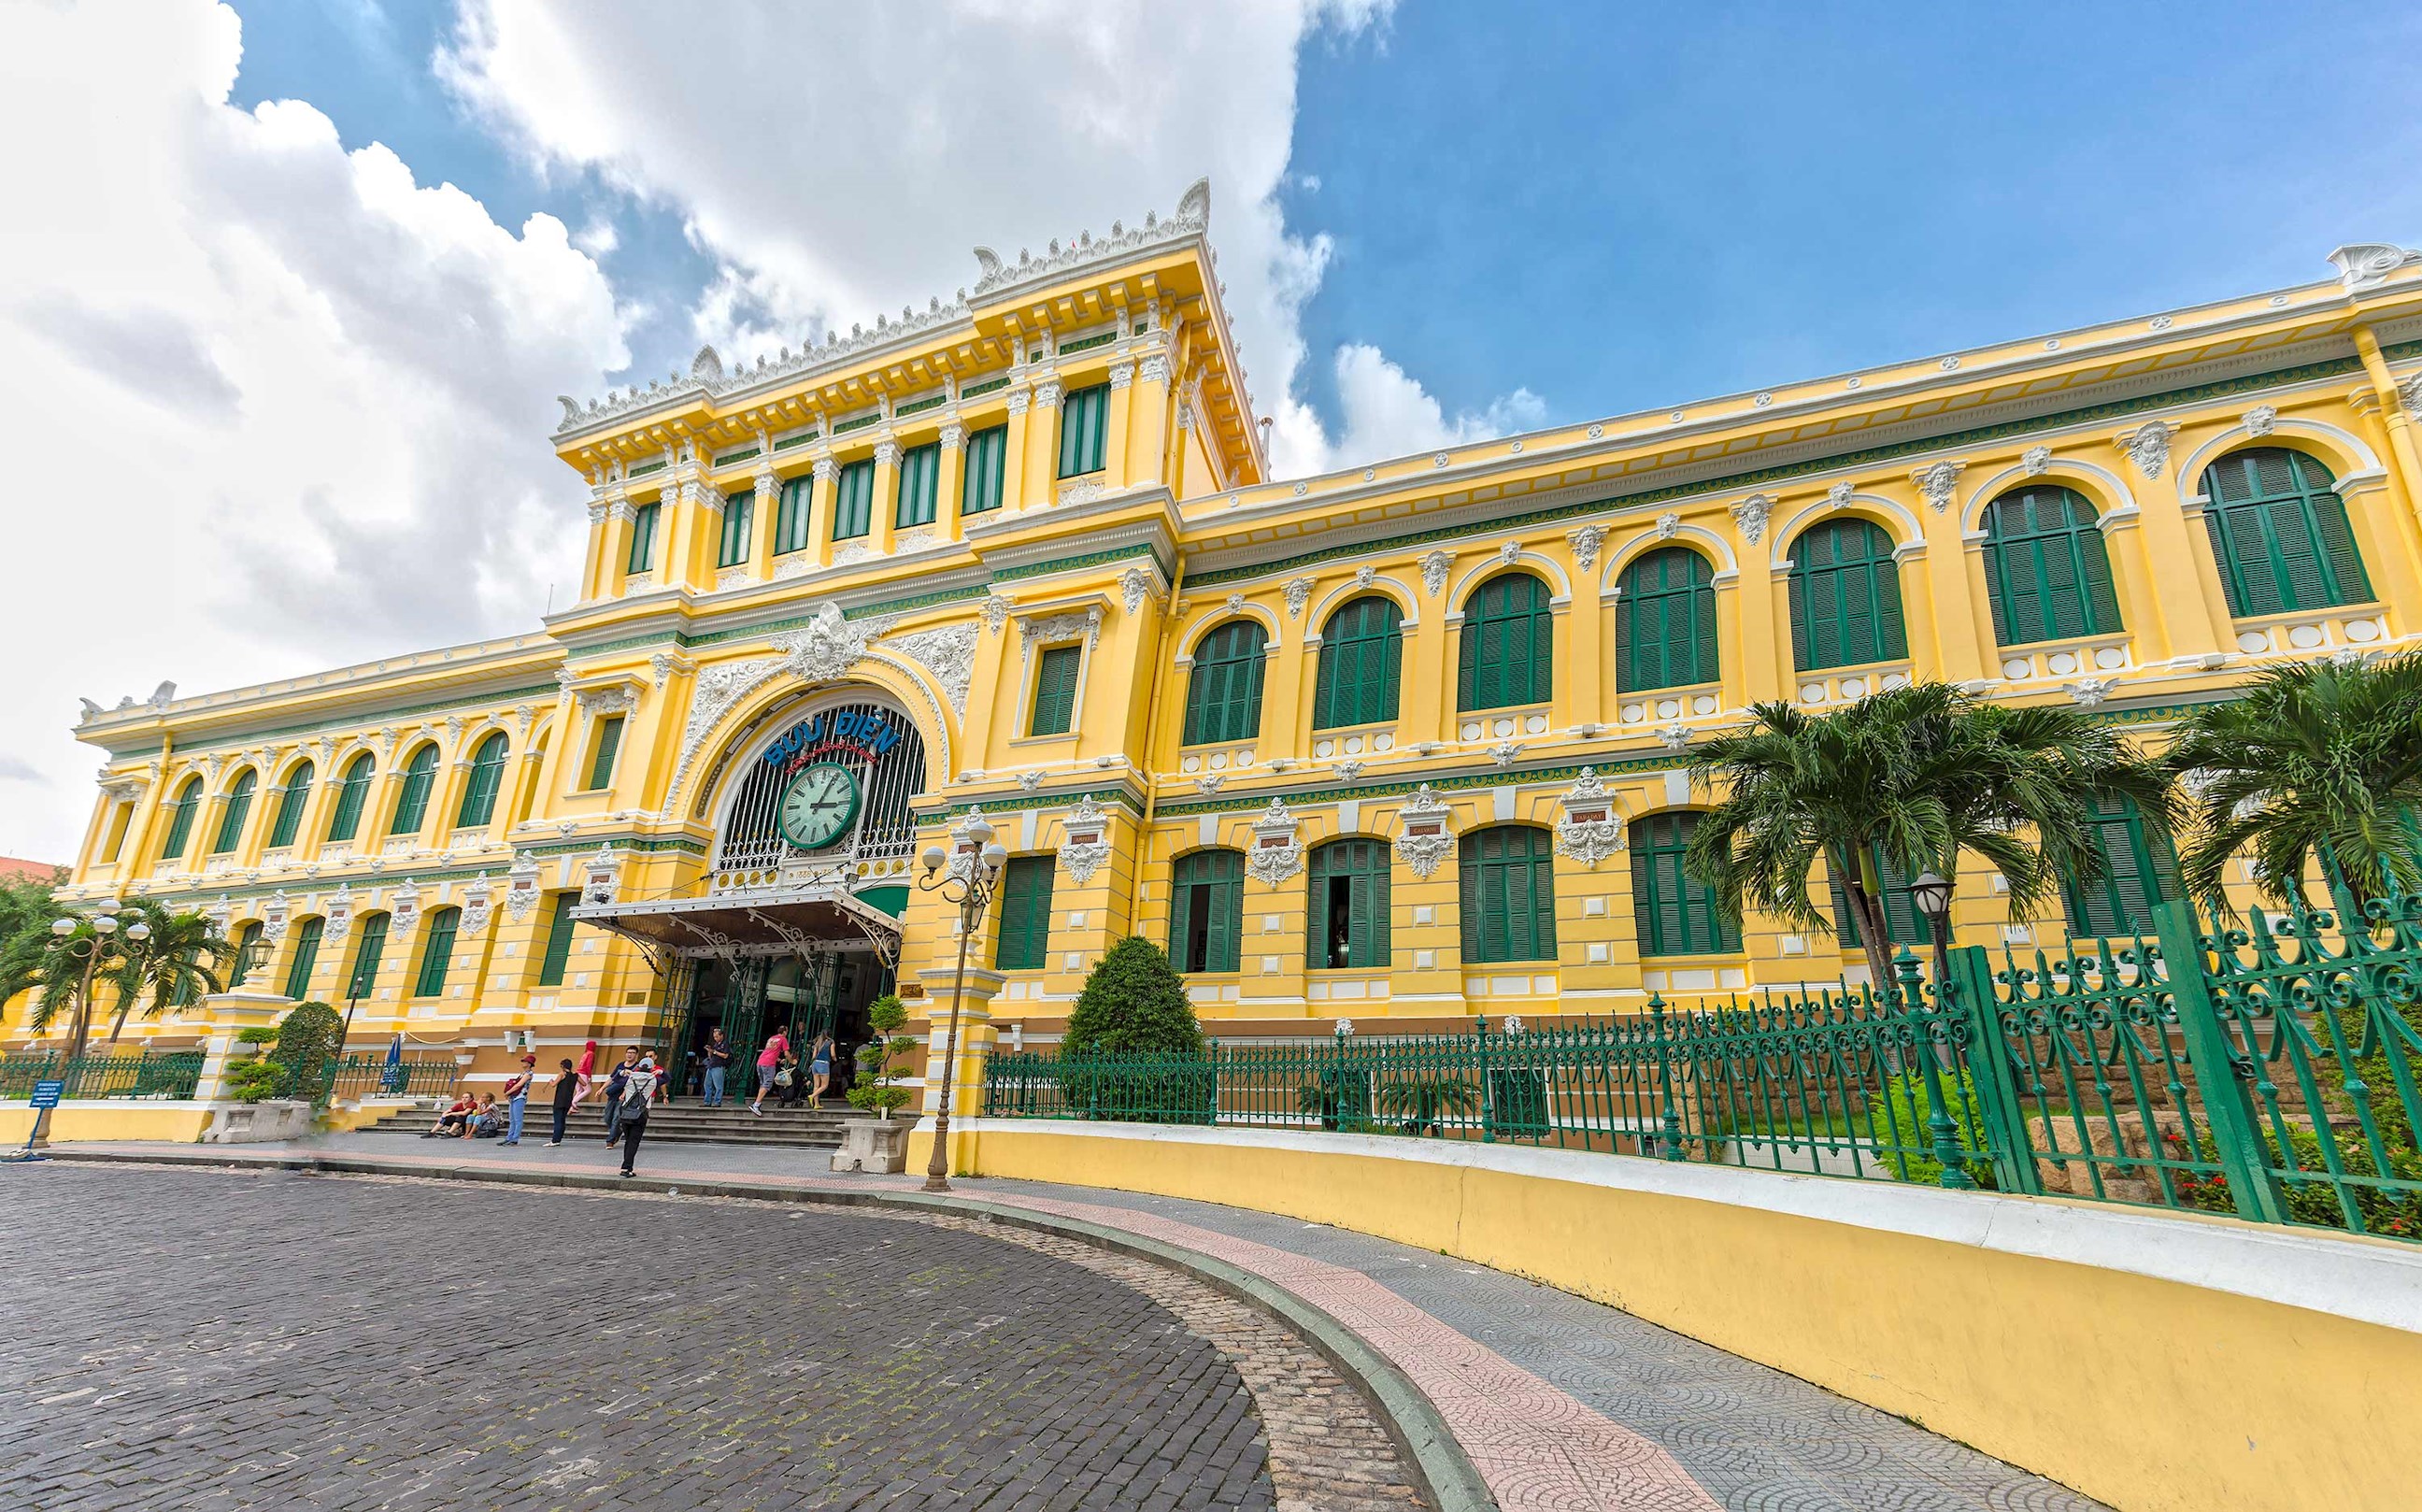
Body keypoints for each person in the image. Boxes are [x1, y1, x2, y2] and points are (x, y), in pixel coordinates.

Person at [617, 1053, 661, 1177]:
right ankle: (627, 1167)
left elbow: (616, 1079)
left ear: (639, 1066)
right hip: (641, 1113)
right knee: (634, 1141)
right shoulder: (653, 1080)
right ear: (651, 1067)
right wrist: (660, 1073)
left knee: (628, 1140)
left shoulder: (630, 1078)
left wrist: (623, 1073)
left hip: (626, 1112)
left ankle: (626, 1166)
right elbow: (667, 1078)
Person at [601, 1047, 638, 1144]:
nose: (630, 1054)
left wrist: (624, 1093)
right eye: (628, 1052)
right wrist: (602, 1088)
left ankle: (610, 1140)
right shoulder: (620, 1065)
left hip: (624, 1097)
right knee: (607, 1117)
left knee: (616, 1118)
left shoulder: (637, 1068)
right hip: (613, 1094)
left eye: (632, 1053)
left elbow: (632, 1083)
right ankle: (617, 1132)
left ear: (636, 1055)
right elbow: (612, 1078)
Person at [749, 1026, 790, 1117]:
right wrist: (792, 1061)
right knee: (767, 1084)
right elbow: (786, 1053)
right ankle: (756, 1104)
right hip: (769, 1064)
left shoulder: (772, 1038)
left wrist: (779, 1060)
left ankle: (757, 1103)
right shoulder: (783, 1039)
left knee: (763, 1083)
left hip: (760, 1062)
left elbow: (770, 1051)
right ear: (784, 1032)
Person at [500, 1054, 536, 1146]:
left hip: (520, 1097)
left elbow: (518, 1085)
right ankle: (509, 1137)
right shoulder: (523, 1073)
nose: (523, 1063)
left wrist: (507, 1093)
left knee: (518, 1119)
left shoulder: (528, 1074)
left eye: (525, 1061)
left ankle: (515, 1139)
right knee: (512, 1119)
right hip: (515, 1097)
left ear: (529, 1064)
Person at [546, 1057, 577, 1147]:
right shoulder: (575, 1075)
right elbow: (584, 1084)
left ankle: (555, 1140)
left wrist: (551, 1081)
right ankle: (559, 1139)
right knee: (562, 1120)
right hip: (568, 1100)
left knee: (558, 1120)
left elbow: (553, 1084)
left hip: (559, 1100)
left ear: (563, 1066)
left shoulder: (562, 1074)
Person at [700, 1029, 732, 1107]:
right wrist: (709, 1051)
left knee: (718, 1085)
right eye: (714, 1037)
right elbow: (711, 1056)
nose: (715, 1038)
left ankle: (717, 1102)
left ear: (722, 1035)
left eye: (717, 1037)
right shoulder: (716, 1044)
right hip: (711, 1065)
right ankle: (707, 1101)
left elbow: (725, 1055)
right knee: (707, 1084)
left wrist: (714, 1052)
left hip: (718, 1066)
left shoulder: (725, 1044)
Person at [566, 1039, 600, 1110]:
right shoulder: (591, 1054)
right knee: (588, 1090)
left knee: (579, 1091)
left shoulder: (585, 1054)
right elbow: (588, 1066)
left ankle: (571, 1107)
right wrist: (589, 1076)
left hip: (578, 1073)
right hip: (583, 1074)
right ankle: (574, 1102)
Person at [807, 1033, 835, 1103]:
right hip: (824, 1064)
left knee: (816, 1085)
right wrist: (835, 1059)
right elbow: (832, 1054)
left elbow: (813, 1056)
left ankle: (816, 1104)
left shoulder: (817, 1043)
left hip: (815, 1063)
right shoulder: (831, 1042)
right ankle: (812, 1096)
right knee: (825, 1085)